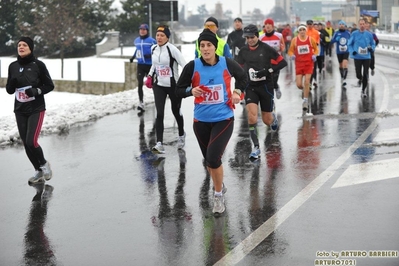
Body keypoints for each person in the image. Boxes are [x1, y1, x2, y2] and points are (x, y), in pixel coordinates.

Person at [176, 29, 247, 214]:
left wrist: (237, 92)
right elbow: (178, 90)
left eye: (209, 45)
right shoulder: (192, 66)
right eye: (202, 46)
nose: (205, 49)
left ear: (215, 47)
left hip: (223, 118)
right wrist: (190, 92)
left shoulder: (226, 63)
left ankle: (217, 196)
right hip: (201, 121)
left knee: (213, 158)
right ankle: (219, 184)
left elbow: (243, 77)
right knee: (209, 162)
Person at [5, 37, 54, 184]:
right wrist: (11, 85)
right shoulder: (12, 66)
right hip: (20, 109)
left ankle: (44, 164)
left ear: (30, 48)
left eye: (24, 45)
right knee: (26, 144)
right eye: (19, 45)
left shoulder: (38, 65)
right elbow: (8, 90)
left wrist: (36, 91)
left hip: (36, 108)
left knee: (31, 141)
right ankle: (38, 171)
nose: (21, 47)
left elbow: (49, 85)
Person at [236, 24, 287, 160]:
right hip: (251, 87)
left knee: (266, 120)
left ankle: (273, 119)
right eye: (247, 38)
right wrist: (238, 88)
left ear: (257, 36)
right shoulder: (243, 51)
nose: (250, 40)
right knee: (252, 117)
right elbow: (238, 70)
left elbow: (282, 63)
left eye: (252, 37)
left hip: (265, 87)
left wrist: (268, 71)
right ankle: (256, 148)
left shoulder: (266, 49)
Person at [146, 25, 187, 153]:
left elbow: (185, 65)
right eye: (157, 35)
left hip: (173, 86)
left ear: (167, 37)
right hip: (159, 86)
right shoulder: (154, 48)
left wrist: (185, 82)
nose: (159, 37)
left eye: (162, 35)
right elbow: (155, 65)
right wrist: (149, 76)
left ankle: (181, 134)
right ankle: (159, 143)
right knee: (159, 114)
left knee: (176, 111)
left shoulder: (172, 50)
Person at [287, 24, 319, 112]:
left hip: (309, 63)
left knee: (307, 81)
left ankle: (305, 100)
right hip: (299, 64)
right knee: (299, 84)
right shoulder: (295, 40)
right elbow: (290, 51)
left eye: (303, 30)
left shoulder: (310, 39)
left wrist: (314, 55)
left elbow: (316, 49)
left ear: (305, 31)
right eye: (300, 30)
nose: (302, 31)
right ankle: (305, 90)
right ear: (298, 31)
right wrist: (292, 55)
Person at [129, 24, 156, 112]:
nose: (142, 31)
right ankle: (141, 103)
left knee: (153, 85)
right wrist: (133, 57)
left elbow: (157, 50)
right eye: (141, 29)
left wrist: (151, 55)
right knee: (140, 83)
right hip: (140, 65)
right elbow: (138, 50)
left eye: (144, 29)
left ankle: (157, 101)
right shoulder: (136, 40)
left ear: (147, 31)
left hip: (150, 65)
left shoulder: (152, 41)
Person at [348, 19, 375, 98]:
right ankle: (361, 78)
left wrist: (371, 49)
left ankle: (363, 90)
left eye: (363, 24)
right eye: (361, 24)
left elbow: (373, 44)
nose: (362, 25)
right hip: (357, 57)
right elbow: (349, 44)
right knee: (358, 74)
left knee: (366, 73)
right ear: (359, 25)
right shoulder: (354, 34)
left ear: (365, 25)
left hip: (367, 57)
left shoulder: (369, 34)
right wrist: (352, 51)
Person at [259, 18, 285, 99]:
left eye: (269, 24)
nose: (267, 26)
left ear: (273, 26)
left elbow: (283, 47)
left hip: (276, 63)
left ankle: (276, 87)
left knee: (273, 80)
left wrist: (279, 49)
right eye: (266, 24)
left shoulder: (279, 36)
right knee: (267, 82)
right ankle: (271, 101)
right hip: (266, 63)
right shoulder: (261, 37)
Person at [330, 20, 351, 87]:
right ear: (339, 25)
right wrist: (336, 39)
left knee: (345, 64)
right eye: (340, 24)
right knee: (341, 65)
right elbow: (332, 41)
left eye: (343, 24)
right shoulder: (336, 33)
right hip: (339, 51)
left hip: (346, 51)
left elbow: (351, 40)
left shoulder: (348, 33)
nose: (341, 25)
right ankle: (342, 76)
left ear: (345, 25)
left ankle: (344, 79)